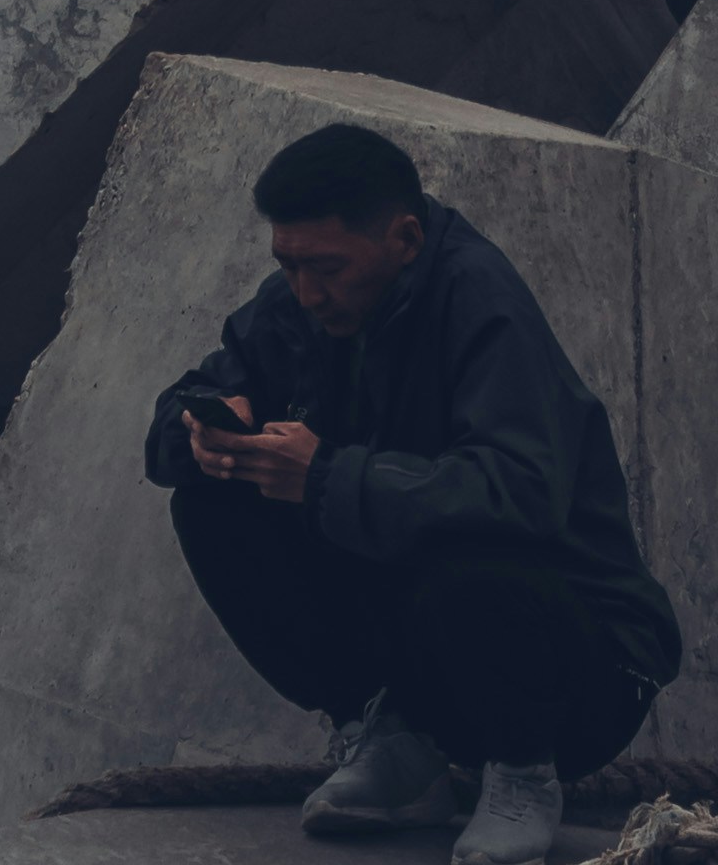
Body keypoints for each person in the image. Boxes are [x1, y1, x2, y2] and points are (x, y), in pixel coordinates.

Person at [144, 111, 682, 864]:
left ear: (402, 240)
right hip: (430, 658)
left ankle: (522, 777)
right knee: (211, 504)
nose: (305, 291)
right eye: (288, 264)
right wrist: (198, 432)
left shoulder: (481, 300)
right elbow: (189, 403)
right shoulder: (296, 303)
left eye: (326, 268)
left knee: (459, 545)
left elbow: (520, 497)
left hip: (580, 670)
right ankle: (392, 745)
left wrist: (325, 475)